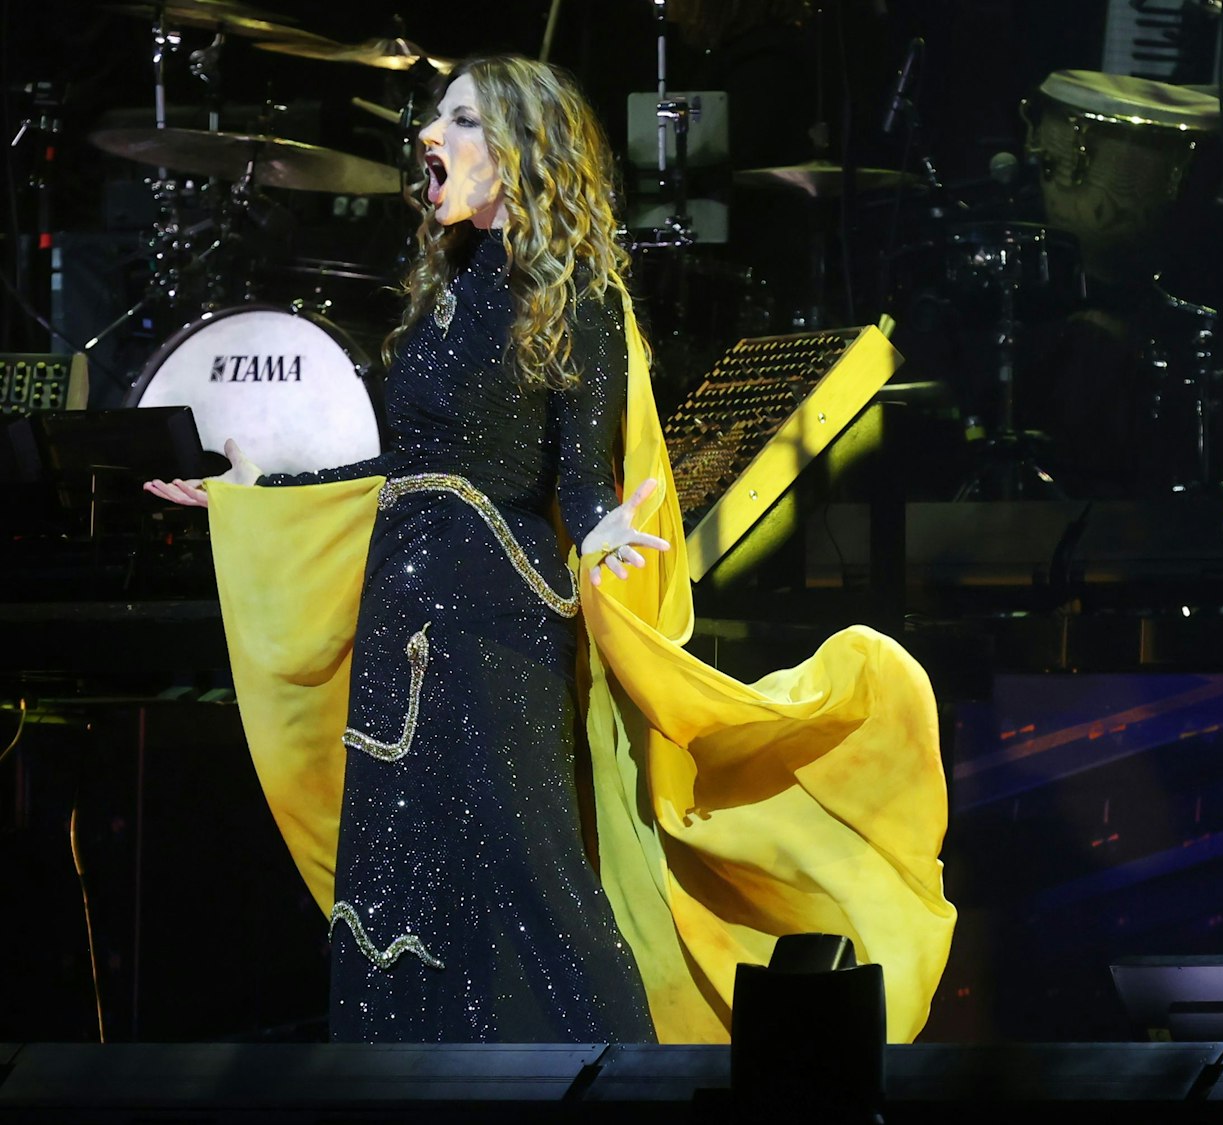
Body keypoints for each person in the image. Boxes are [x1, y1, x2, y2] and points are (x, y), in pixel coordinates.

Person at [144, 56, 955, 1044]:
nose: (431, 138)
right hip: (397, 628)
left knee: (531, 883)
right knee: (396, 894)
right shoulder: (439, 297)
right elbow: (400, 469)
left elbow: (577, 478)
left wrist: (609, 525)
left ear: (527, 151)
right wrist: (253, 493)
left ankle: (602, 1083)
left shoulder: (578, 301)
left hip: (494, 626)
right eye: (434, 119)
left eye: (463, 122)